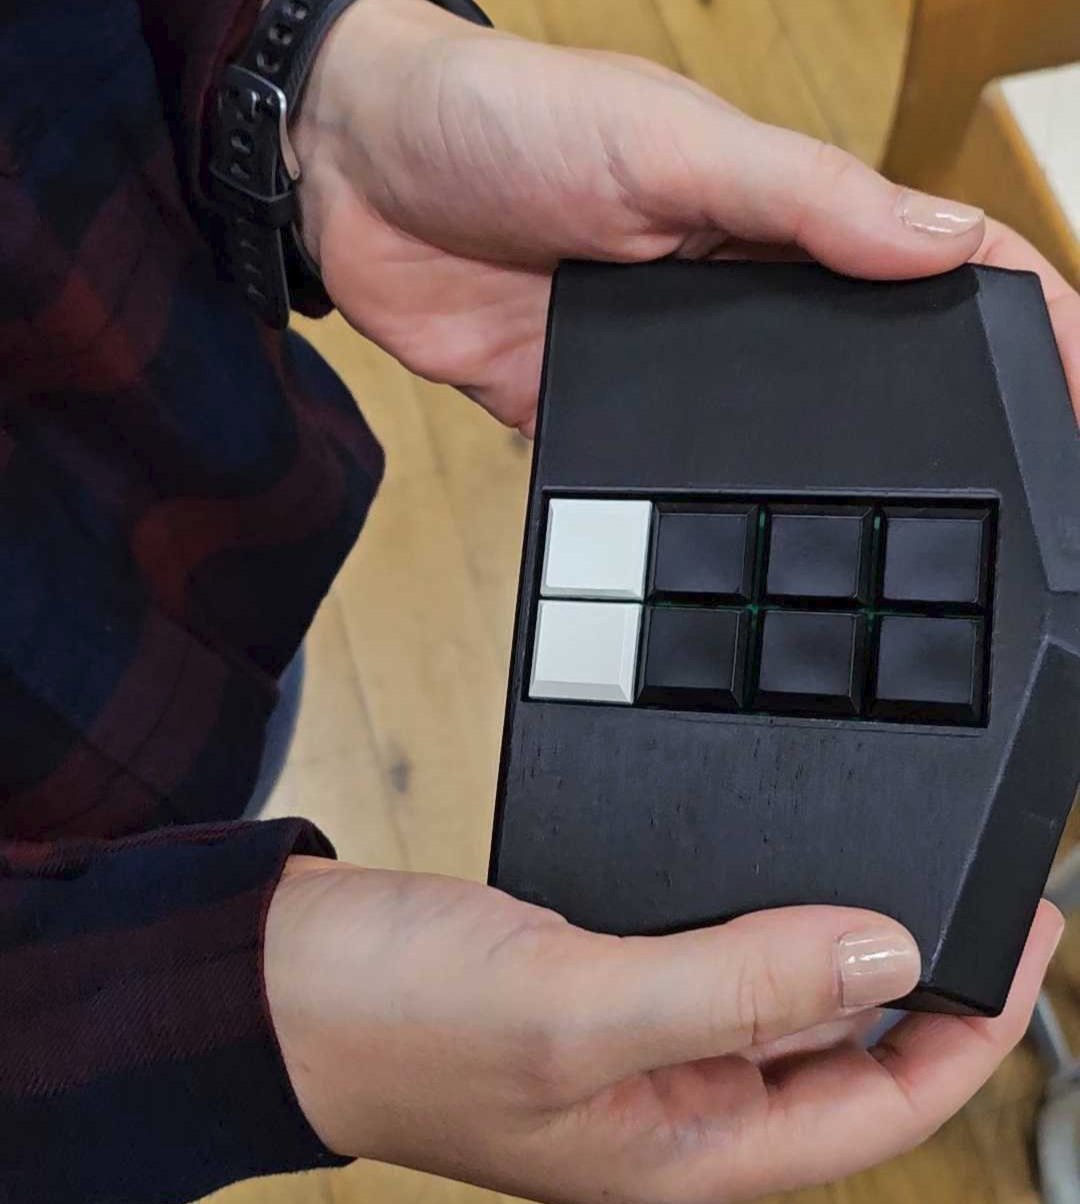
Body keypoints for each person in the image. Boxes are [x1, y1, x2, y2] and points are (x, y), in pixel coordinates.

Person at [2, 0, 1076, 1201]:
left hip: (154, 504)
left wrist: (319, 83)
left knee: (220, 745)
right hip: (44, 836)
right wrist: (252, 1019)